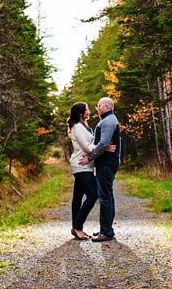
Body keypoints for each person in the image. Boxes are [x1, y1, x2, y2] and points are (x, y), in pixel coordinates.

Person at [78, 96, 120, 242]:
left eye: (100, 106)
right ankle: (106, 229)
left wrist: (89, 158)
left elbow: (103, 143)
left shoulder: (109, 121)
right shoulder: (108, 120)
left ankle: (106, 232)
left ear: (107, 107)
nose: (98, 108)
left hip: (107, 164)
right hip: (106, 163)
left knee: (105, 197)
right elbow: (102, 144)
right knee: (107, 195)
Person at [67, 101, 97, 241]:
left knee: (78, 197)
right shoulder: (78, 127)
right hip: (82, 166)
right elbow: (86, 147)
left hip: (85, 166)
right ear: (80, 113)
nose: (89, 112)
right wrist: (102, 147)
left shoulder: (83, 126)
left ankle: (76, 227)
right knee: (93, 194)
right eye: (87, 109)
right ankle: (78, 226)